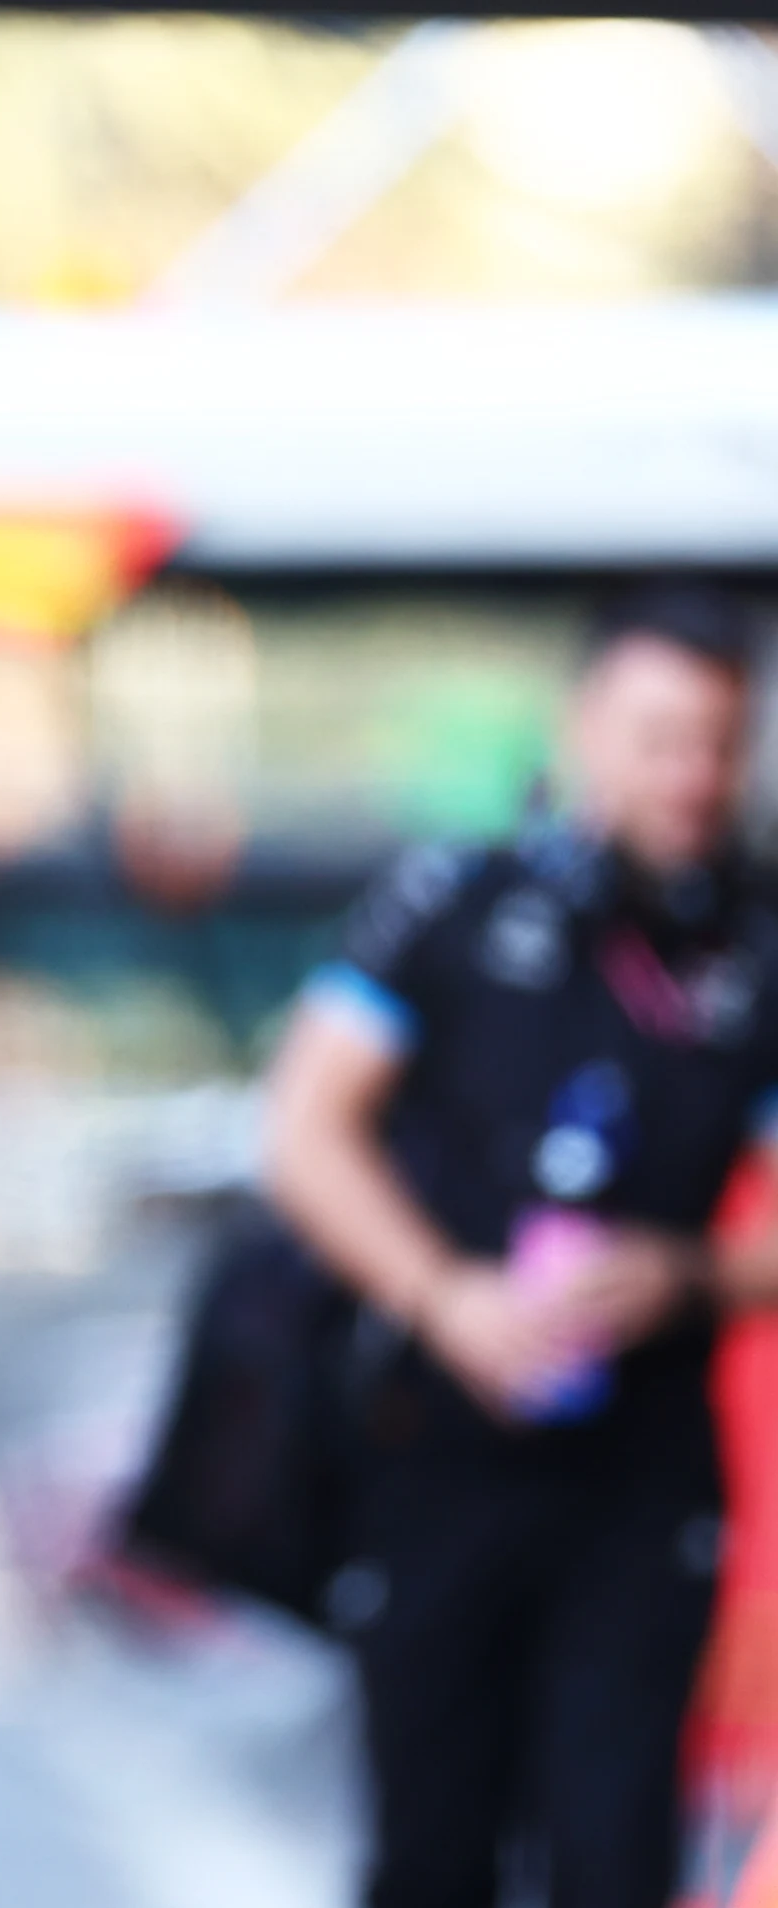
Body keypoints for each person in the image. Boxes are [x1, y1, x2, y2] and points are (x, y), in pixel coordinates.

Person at [264, 581, 778, 1908]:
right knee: (430, 1854)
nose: (693, 777)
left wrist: (690, 1278)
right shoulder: (450, 905)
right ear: (585, 731)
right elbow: (308, 1132)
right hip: (437, 1450)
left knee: (614, 1852)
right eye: (662, 739)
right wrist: (446, 1298)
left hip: (646, 1478)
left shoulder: (755, 943)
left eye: (719, 745)